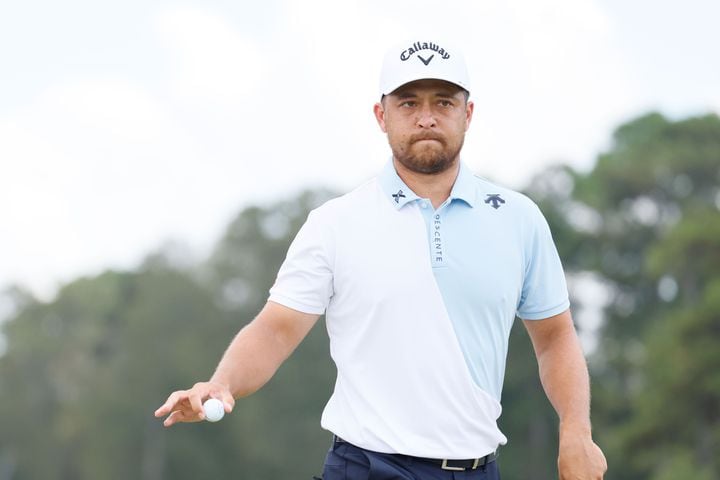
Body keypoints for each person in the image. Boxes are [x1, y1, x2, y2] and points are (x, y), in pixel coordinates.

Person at [155, 38, 608, 480]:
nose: (427, 117)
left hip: (476, 468)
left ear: (467, 114)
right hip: (366, 466)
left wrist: (576, 432)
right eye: (409, 103)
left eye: (444, 103)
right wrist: (223, 383)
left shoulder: (519, 219)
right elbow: (275, 330)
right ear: (381, 115)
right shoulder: (335, 223)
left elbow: (554, 337)